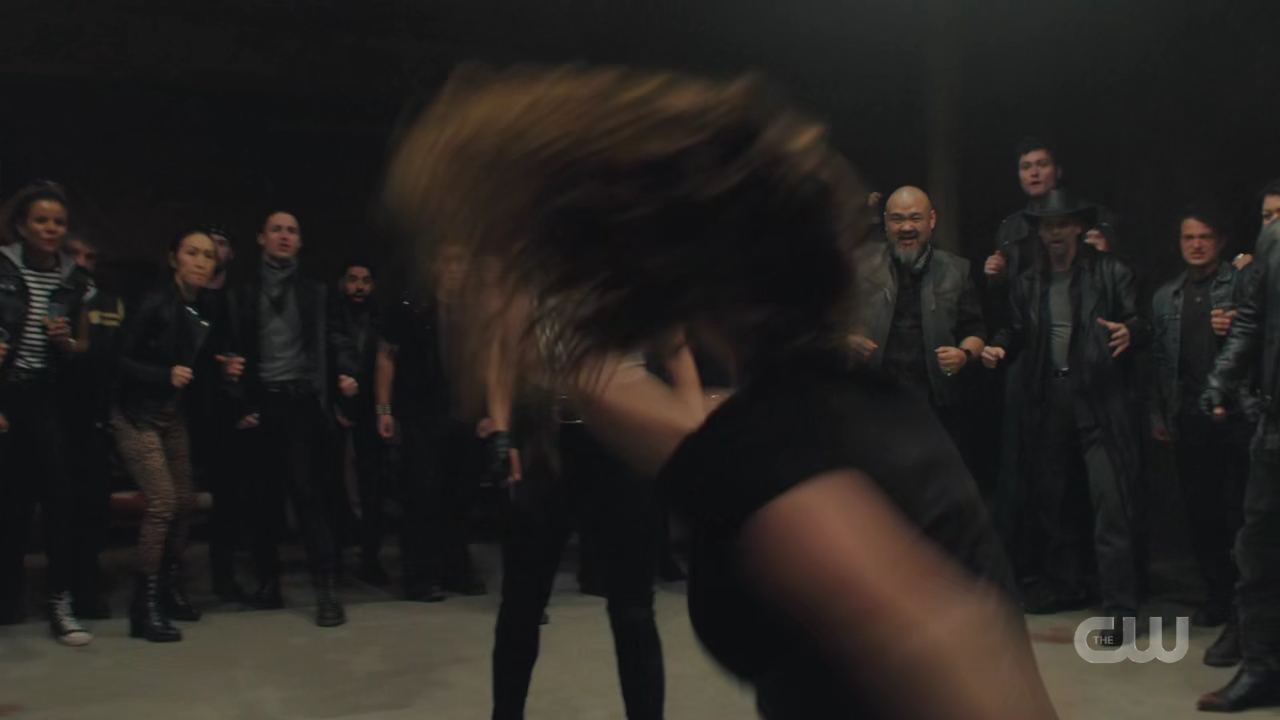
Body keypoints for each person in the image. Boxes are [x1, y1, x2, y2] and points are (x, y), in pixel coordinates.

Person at [384, 66, 1057, 720]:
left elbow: (973, 677)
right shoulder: (831, 408)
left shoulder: (791, 455)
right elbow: (688, 445)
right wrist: (540, 338)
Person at [981, 189, 1147, 630]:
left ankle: (1121, 608)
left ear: (1077, 228)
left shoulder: (1110, 271)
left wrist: (1130, 332)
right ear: (1039, 233)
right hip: (1050, 397)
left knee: (1110, 505)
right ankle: (1067, 584)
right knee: (1052, 501)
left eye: (1061, 224)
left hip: (1099, 398)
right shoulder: (1028, 281)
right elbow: (1016, 329)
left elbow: (1139, 321)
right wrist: (998, 348)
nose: (1054, 233)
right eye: (1047, 226)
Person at [225, 211, 358, 627]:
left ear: (300, 242)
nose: (284, 236)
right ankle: (269, 583)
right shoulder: (243, 292)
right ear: (260, 238)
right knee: (263, 500)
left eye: (292, 231)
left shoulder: (316, 292)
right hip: (263, 403)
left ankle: (327, 590)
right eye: (276, 230)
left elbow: (337, 337)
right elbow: (231, 347)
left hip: (303, 403)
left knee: (308, 495)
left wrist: (347, 371)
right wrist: (238, 399)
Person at [111, 230, 242, 642]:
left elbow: (197, 363)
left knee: (184, 502)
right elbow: (118, 359)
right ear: (174, 259)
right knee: (163, 502)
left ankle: (169, 587)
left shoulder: (205, 307)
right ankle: (144, 604)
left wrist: (223, 369)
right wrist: (161, 375)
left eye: (208, 255)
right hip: (136, 414)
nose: (201, 262)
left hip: (173, 415)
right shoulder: (153, 302)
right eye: (192, 253)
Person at [1150, 208, 1253, 667]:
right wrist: (1158, 411)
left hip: (1237, 414)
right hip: (1189, 415)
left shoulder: (1243, 285)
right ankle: (1217, 597)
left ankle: (1245, 605)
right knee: (1201, 513)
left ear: (1221, 240)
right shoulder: (1167, 296)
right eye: (1188, 237)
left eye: (1204, 237)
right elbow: (1159, 358)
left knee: (1242, 514)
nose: (1195, 245)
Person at [0, 183, 95, 645]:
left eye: (58, 222)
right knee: (10, 505)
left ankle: (61, 600)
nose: (51, 228)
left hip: (52, 397)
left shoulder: (76, 280)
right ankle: (7, 600)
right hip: (7, 395)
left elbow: (84, 345)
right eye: (41, 220)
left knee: (60, 502)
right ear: (21, 225)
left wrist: (66, 343)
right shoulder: (2, 268)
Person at [1198, 216, 1280, 712]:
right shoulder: (1275, 238)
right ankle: (1261, 668)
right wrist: (1221, 379)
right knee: (1259, 552)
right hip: (1275, 422)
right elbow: (1251, 319)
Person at [374, 244, 487, 600]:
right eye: (449, 261)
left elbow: (488, 364)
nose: (455, 269)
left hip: (464, 415)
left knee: (460, 496)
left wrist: (489, 412)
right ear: (436, 266)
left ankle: (456, 569)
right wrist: (383, 409)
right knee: (421, 495)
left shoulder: (475, 312)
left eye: (461, 262)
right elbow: (386, 356)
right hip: (421, 413)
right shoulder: (412, 308)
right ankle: (420, 576)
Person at [849, 186, 985, 467]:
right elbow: (830, 323)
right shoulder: (861, 266)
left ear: (931, 220)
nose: (907, 227)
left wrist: (963, 355)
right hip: (874, 402)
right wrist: (848, 339)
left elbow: (975, 332)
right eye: (897, 219)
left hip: (935, 408)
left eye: (915, 218)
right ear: (886, 222)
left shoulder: (957, 270)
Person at [61, 232, 126, 620]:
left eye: (90, 256)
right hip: (54, 413)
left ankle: (86, 586)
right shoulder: (52, 298)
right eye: (75, 255)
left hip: (97, 417)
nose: (83, 263)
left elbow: (117, 357)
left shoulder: (111, 303)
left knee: (92, 506)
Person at [187, 222, 248, 601]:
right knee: (178, 499)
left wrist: (245, 400)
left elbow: (248, 350)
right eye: (203, 246)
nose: (211, 252)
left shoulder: (237, 299)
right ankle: (171, 581)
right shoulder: (180, 297)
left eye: (219, 245)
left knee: (228, 498)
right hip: (184, 408)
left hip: (226, 410)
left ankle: (224, 579)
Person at [331, 260, 387, 583]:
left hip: (371, 408)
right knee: (333, 485)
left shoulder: (381, 317)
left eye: (365, 280)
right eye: (353, 279)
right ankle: (335, 558)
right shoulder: (330, 314)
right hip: (335, 406)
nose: (359, 287)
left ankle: (370, 557)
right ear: (342, 283)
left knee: (373, 488)